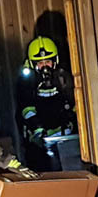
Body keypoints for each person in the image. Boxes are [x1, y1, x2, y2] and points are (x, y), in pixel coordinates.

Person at [17, 36, 78, 171]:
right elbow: (26, 108)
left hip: (66, 138)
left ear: (55, 61)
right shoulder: (27, 81)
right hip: (40, 142)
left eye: (48, 62)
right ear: (33, 64)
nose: (45, 67)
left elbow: (75, 103)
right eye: (40, 63)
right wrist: (38, 130)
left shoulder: (64, 77)